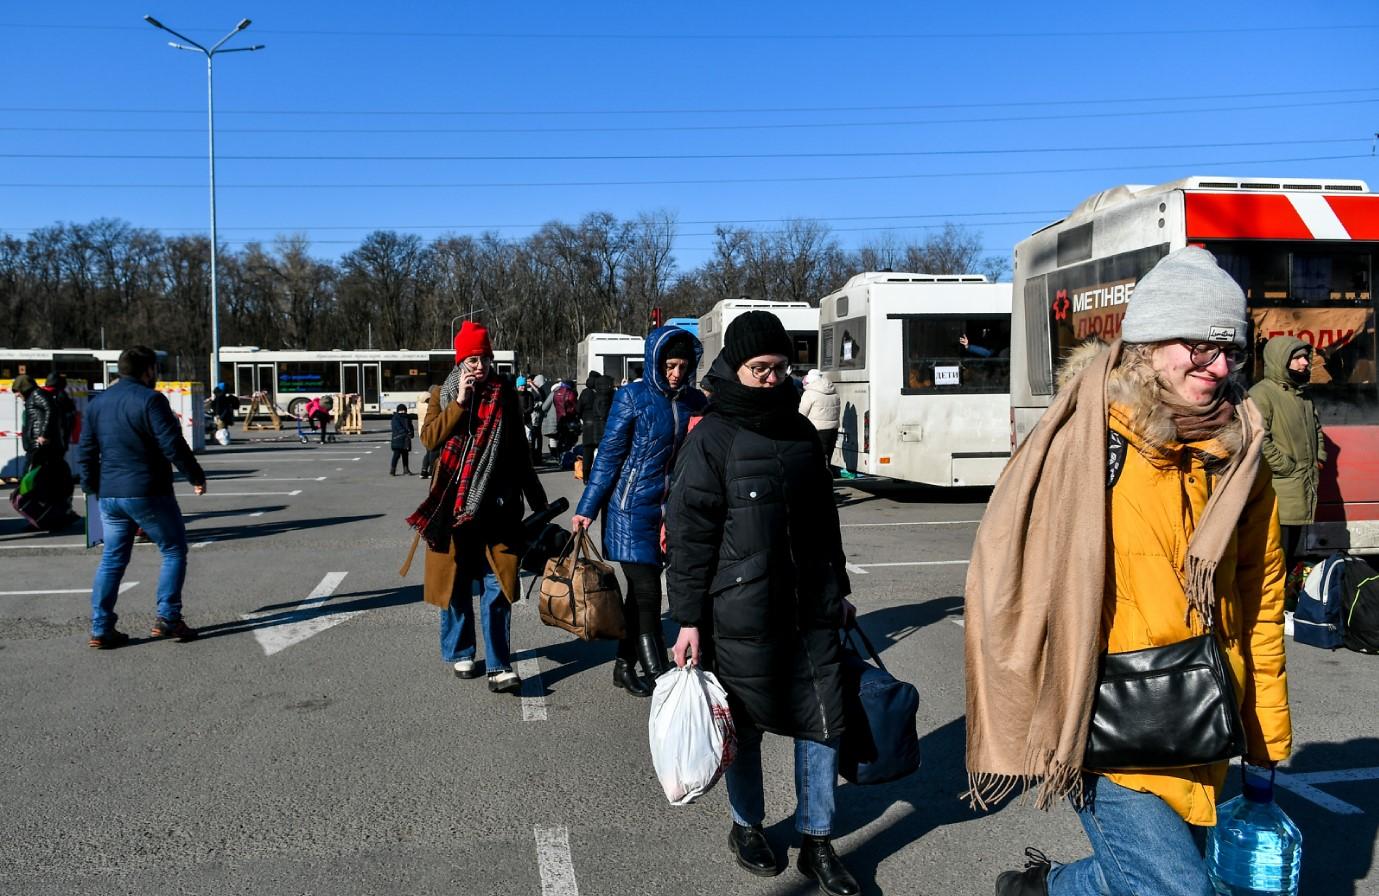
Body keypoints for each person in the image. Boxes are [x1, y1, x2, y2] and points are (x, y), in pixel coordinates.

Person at [966, 247, 1291, 896]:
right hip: (1106, 717)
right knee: (1178, 891)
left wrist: (1265, 737)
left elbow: (1259, 601)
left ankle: (1044, 890)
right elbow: (1014, 582)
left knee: (1158, 880)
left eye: (1230, 350)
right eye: (1200, 348)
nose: (1220, 367)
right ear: (1148, 342)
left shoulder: (1238, 452)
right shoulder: (1085, 441)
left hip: (1201, 715)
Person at [666, 311, 860, 896]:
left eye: (780, 367)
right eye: (760, 369)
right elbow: (690, 534)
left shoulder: (802, 433)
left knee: (823, 723)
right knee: (744, 727)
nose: (773, 378)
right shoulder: (711, 438)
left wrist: (841, 590)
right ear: (735, 368)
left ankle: (818, 842)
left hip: (811, 607)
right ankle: (747, 826)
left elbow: (826, 521)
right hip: (740, 613)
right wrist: (688, 619)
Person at [408, 322, 547, 694]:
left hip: (498, 507)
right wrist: (460, 403)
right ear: (460, 362)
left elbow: (519, 448)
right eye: (471, 359)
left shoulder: (504, 393)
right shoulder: (444, 392)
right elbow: (430, 438)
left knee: (497, 585)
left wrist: (538, 499)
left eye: (484, 358)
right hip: (453, 508)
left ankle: (500, 664)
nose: (479, 366)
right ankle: (461, 651)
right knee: (454, 586)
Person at [572, 327, 706, 698]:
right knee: (647, 592)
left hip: (667, 513)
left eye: (683, 366)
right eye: (669, 365)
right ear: (654, 363)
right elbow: (609, 456)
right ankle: (660, 673)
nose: (676, 373)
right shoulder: (632, 397)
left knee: (637, 598)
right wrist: (587, 508)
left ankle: (623, 666)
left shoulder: (692, 401)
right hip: (628, 508)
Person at [78, 345, 208, 649]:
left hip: (109, 494)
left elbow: (86, 450)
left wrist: (90, 488)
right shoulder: (151, 400)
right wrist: (195, 476)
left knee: (112, 559)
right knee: (173, 549)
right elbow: (172, 444)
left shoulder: (98, 403)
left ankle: (101, 627)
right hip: (148, 490)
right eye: (155, 370)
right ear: (148, 370)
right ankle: (168, 617)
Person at [1249, 335, 1326, 572]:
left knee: (1291, 556)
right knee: (1275, 557)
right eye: (1298, 358)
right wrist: (1286, 467)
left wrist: (1319, 458)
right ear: (1280, 360)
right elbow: (1258, 438)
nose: (1305, 363)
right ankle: (1273, 606)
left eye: (1305, 357)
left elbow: (1317, 430)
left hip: (1302, 487)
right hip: (1279, 489)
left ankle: (1285, 604)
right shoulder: (1261, 394)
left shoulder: (1301, 395)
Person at [798, 368, 841, 468]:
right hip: (833, 430)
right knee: (827, 458)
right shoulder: (834, 392)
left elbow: (802, 414)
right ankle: (827, 479)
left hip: (816, 430)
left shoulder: (809, 394)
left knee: (815, 458)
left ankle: (817, 481)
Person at [576, 371, 615, 480]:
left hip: (587, 424)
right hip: (600, 425)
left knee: (587, 451)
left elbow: (578, 409)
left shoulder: (585, 393)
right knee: (601, 451)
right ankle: (600, 475)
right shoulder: (604, 394)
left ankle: (586, 476)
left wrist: (582, 417)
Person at [389, 403, 415, 476]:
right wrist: (404, 432)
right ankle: (393, 470)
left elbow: (411, 427)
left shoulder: (407, 418)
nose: (402, 412)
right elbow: (397, 427)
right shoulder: (395, 418)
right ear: (398, 411)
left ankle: (406, 470)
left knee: (405, 455)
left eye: (404, 410)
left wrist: (411, 433)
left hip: (406, 440)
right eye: (401, 411)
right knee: (396, 455)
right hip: (398, 439)